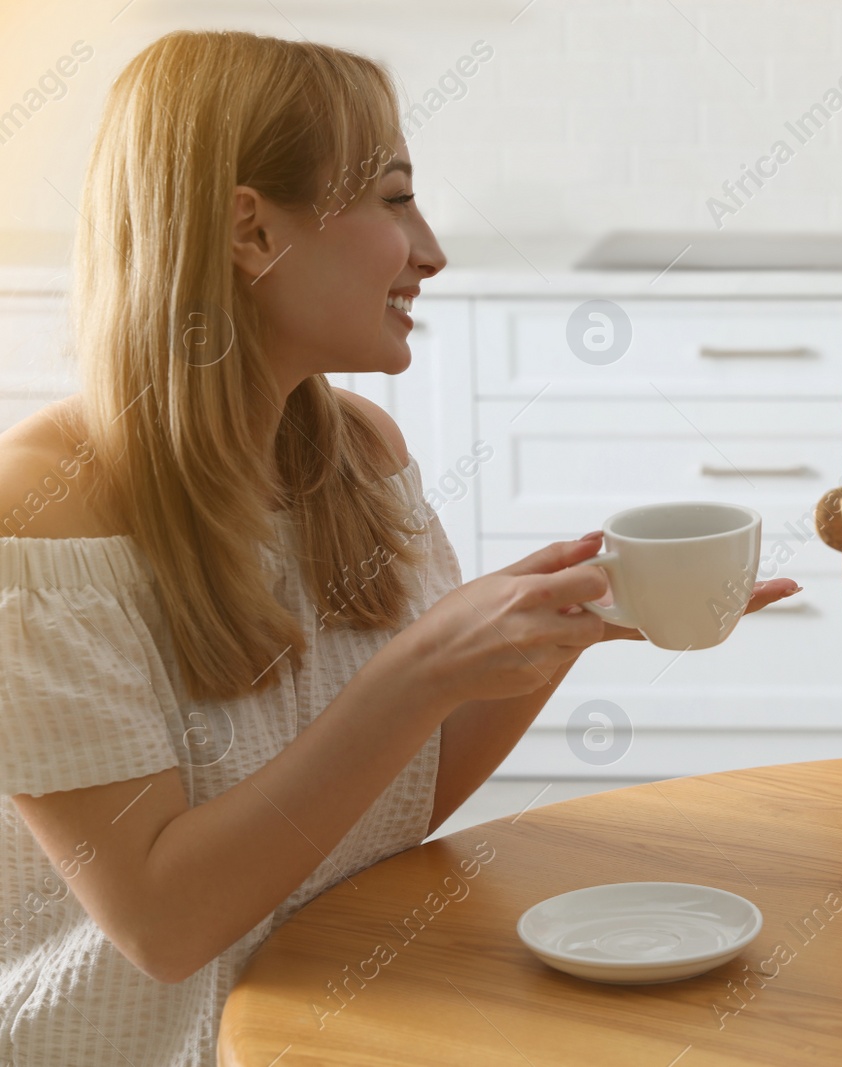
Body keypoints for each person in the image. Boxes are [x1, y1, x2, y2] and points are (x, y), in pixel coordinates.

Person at [0, 31, 797, 1065]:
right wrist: (414, 676)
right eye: (392, 198)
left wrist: (564, 631)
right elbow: (163, 924)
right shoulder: (40, 513)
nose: (430, 249)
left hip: (344, 1016)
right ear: (252, 232)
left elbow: (394, 796)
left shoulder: (359, 457)